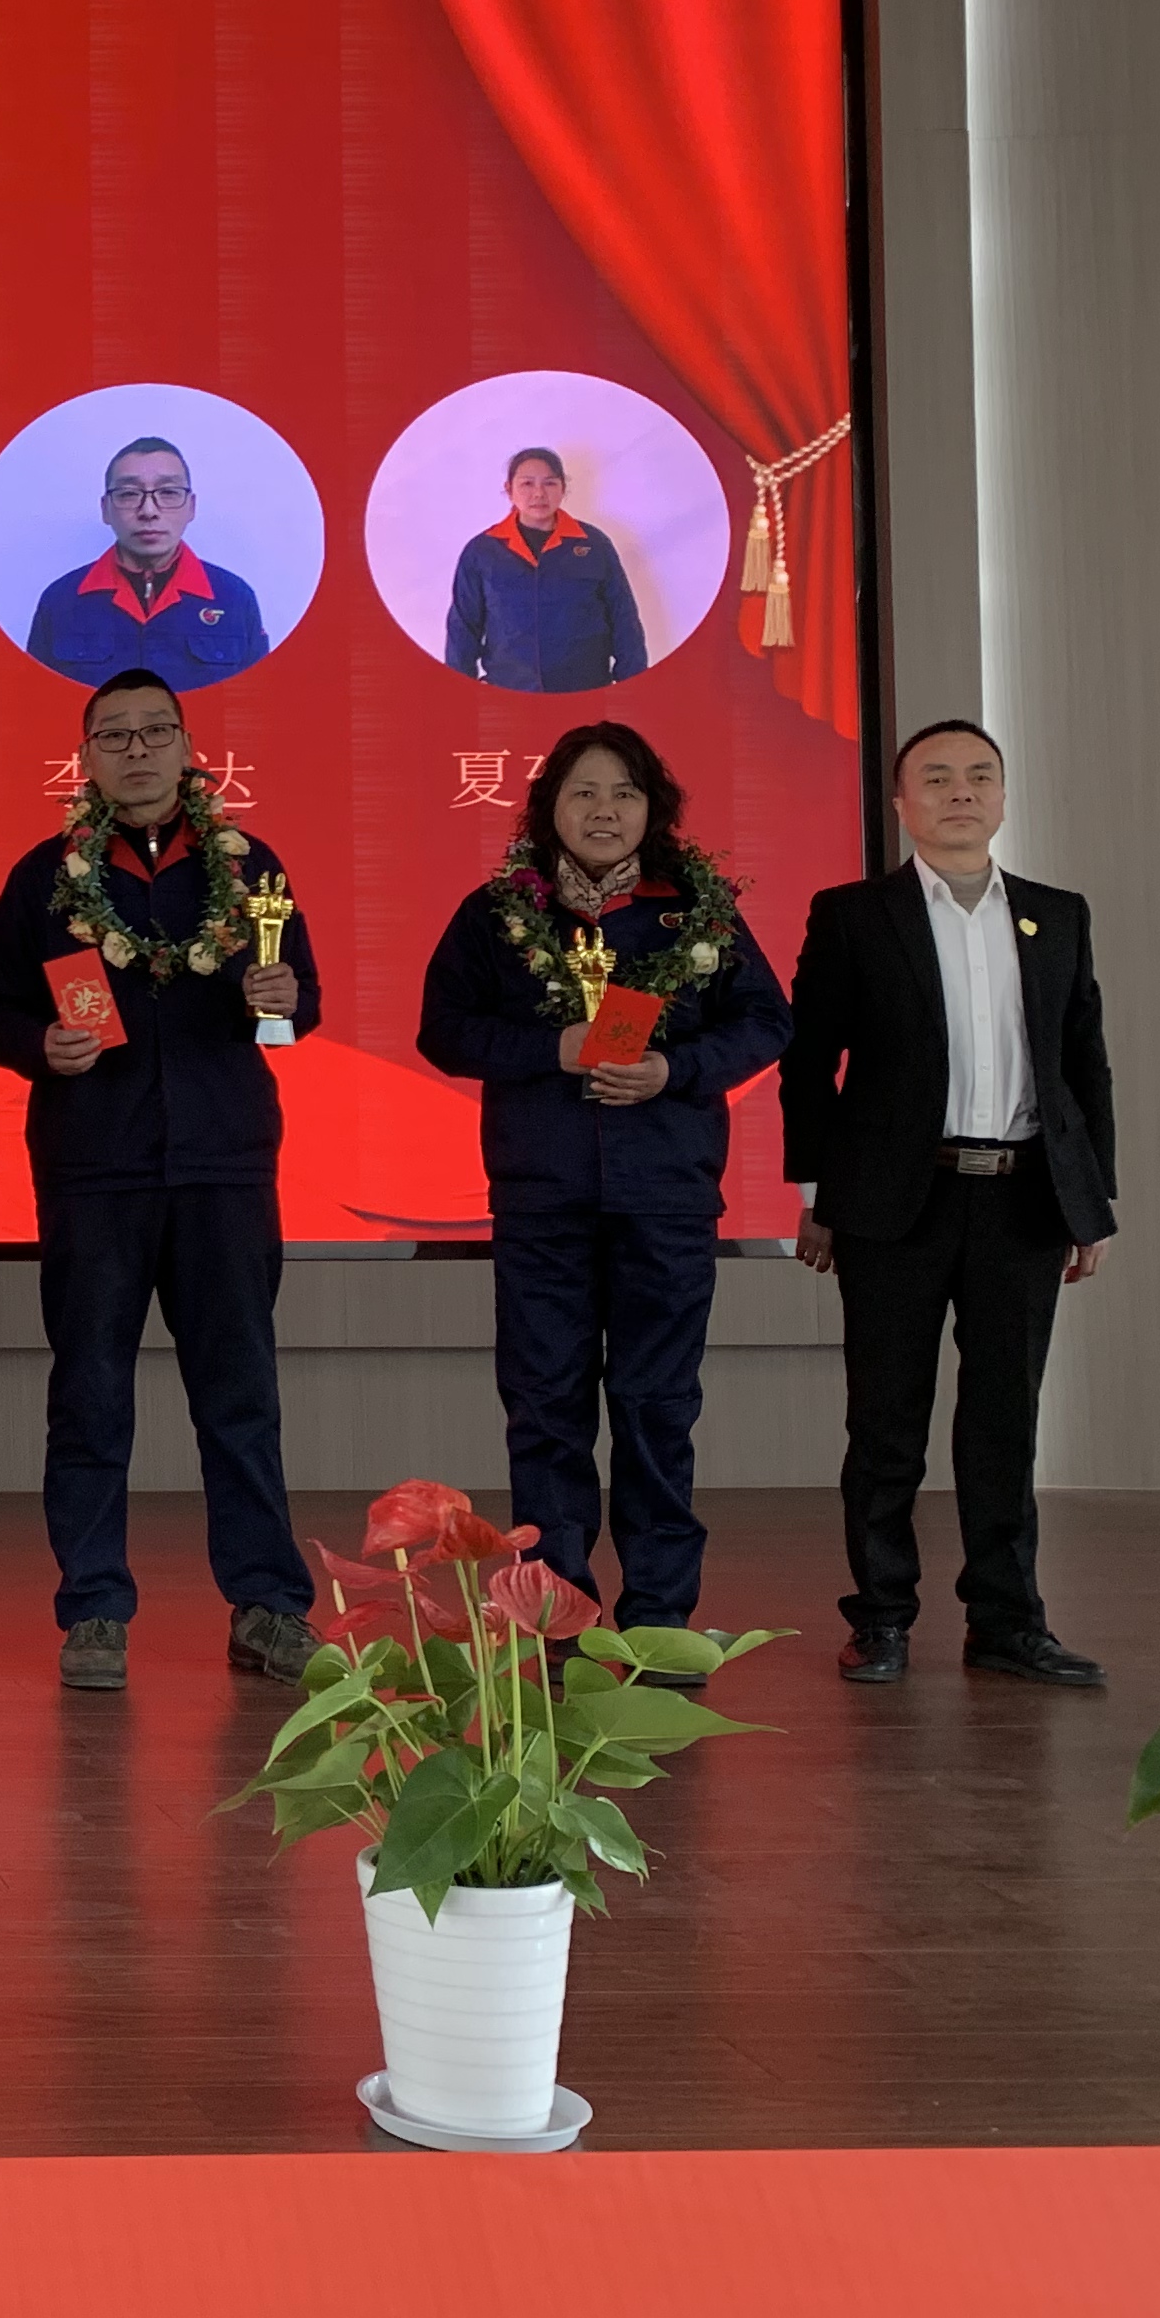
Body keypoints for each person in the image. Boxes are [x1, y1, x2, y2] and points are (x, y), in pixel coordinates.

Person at [0, 668, 321, 1691]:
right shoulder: (47, 876)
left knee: (240, 1398)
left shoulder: (248, 868)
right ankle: (94, 1610)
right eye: (113, 736)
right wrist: (41, 1046)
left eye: (154, 731)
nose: (136, 750)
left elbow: (297, 1014)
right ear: (85, 758)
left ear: (187, 747)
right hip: (94, 1166)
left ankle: (266, 1604)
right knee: (90, 1396)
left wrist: (284, 1000)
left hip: (223, 1165)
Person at [414, 722, 790, 1642]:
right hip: (542, 1198)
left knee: (657, 1408)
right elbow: (444, 1030)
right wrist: (553, 1049)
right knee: (546, 1409)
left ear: (653, 809)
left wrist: (674, 1070)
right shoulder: (498, 913)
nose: (604, 810)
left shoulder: (697, 912)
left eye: (624, 792)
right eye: (583, 792)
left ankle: (659, 1614)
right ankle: (555, 1614)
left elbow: (766, 1023)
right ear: (550, 807)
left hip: (666, 1196)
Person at [783, 717, 1116, 1688]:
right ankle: (882, 1617)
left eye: (979, 775)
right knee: (886, 1423)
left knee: (1005, 1424)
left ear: (1003, 798)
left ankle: (1007, 1621)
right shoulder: (854, 915)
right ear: (902, 803)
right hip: (895, 1203)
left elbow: (1084, 1063)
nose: (960, 791)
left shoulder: (1056, 916)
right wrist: (818, 1192)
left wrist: (1093, 1198)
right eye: (936, 777)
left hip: (1024, 1199)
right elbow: (809, 1062)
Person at [21, 436, 273, 690]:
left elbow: (257, 701)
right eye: (129, 494)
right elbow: (36, 699)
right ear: (105, 509)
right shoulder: (61, 600)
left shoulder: (235, 598)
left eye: (169, 492)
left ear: (191, 507)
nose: (149, 511)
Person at [443, 447, 648, 694]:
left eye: (549, 483)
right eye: (527, 484)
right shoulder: (482, 551)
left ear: (563, 488)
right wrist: (460, 692)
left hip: (584, 691)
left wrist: (633, 688)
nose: (539, 493)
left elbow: (623, 618)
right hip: (509, 691)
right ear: (509, 489)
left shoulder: (593, 544)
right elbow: (463, 627)